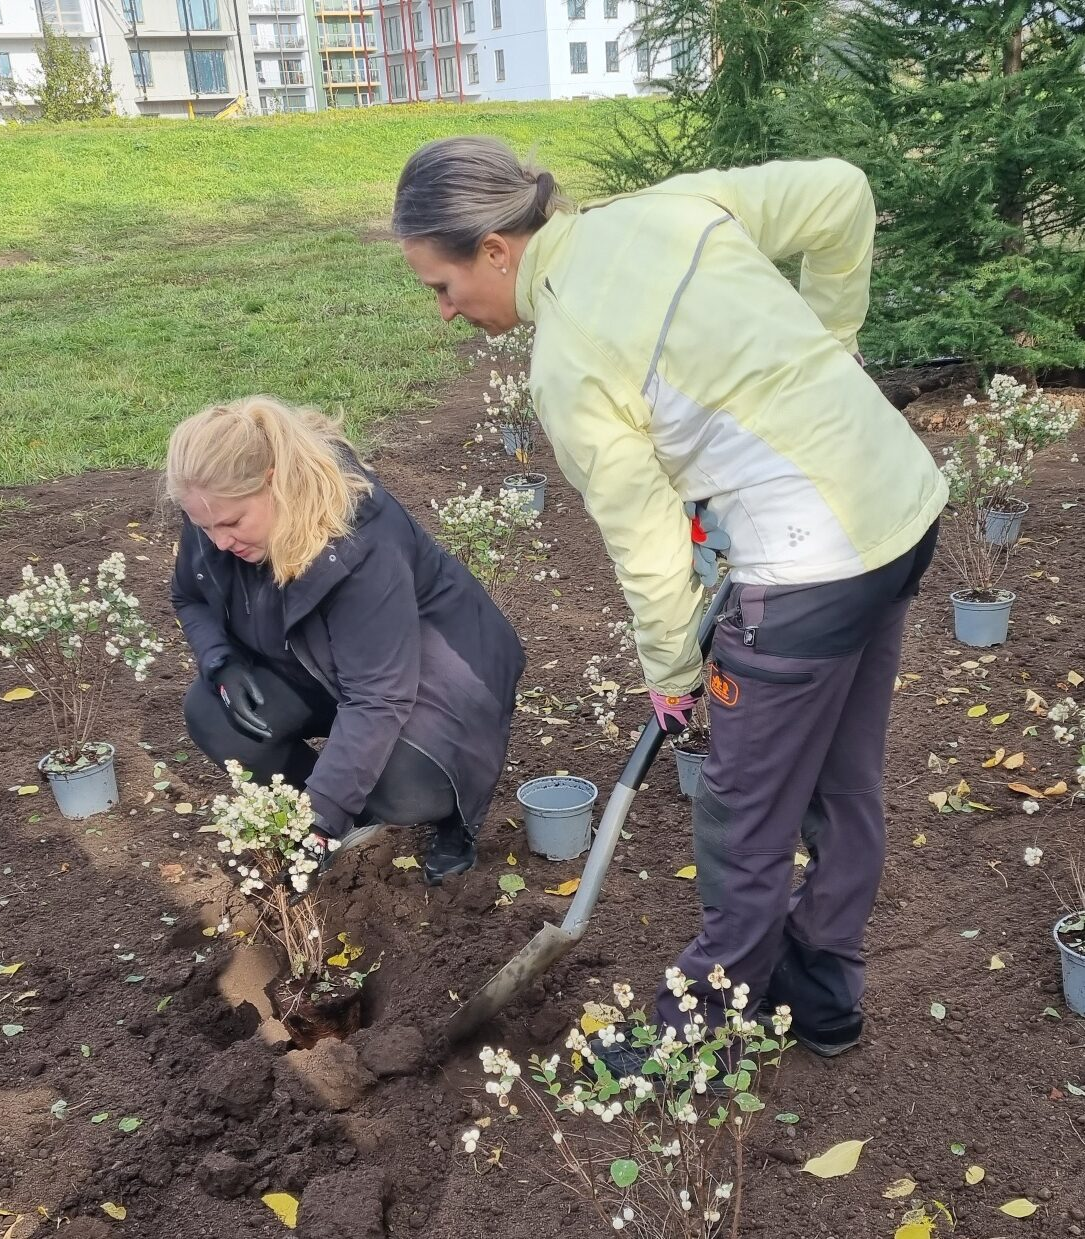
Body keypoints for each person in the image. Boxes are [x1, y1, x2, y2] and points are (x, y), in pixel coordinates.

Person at [394, 138, 947, 1061]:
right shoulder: (672, 206)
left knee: (741, 815)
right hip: (899, 510)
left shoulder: (567, 362)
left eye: (441, 287)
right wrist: (835, 346)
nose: (445, 311)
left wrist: (673, 671)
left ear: (494, 248)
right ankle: (821, 996)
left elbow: (649, 547)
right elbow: (841, 191)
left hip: (808, 569)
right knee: (841, 779)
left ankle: (698, 1035)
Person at [166, 396, 526, 886]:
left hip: (436, 672)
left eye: (231, 523)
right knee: (214, 714)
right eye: (204, 526)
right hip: (319, 664)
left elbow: (378, 697)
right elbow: (188, 596)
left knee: (404, 789)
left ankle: (450, 821)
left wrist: (319, 821)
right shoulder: (214, 510)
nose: (219, 542)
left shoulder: (361, 541)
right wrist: (221, 661)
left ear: (274, 481)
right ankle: (344, 813)